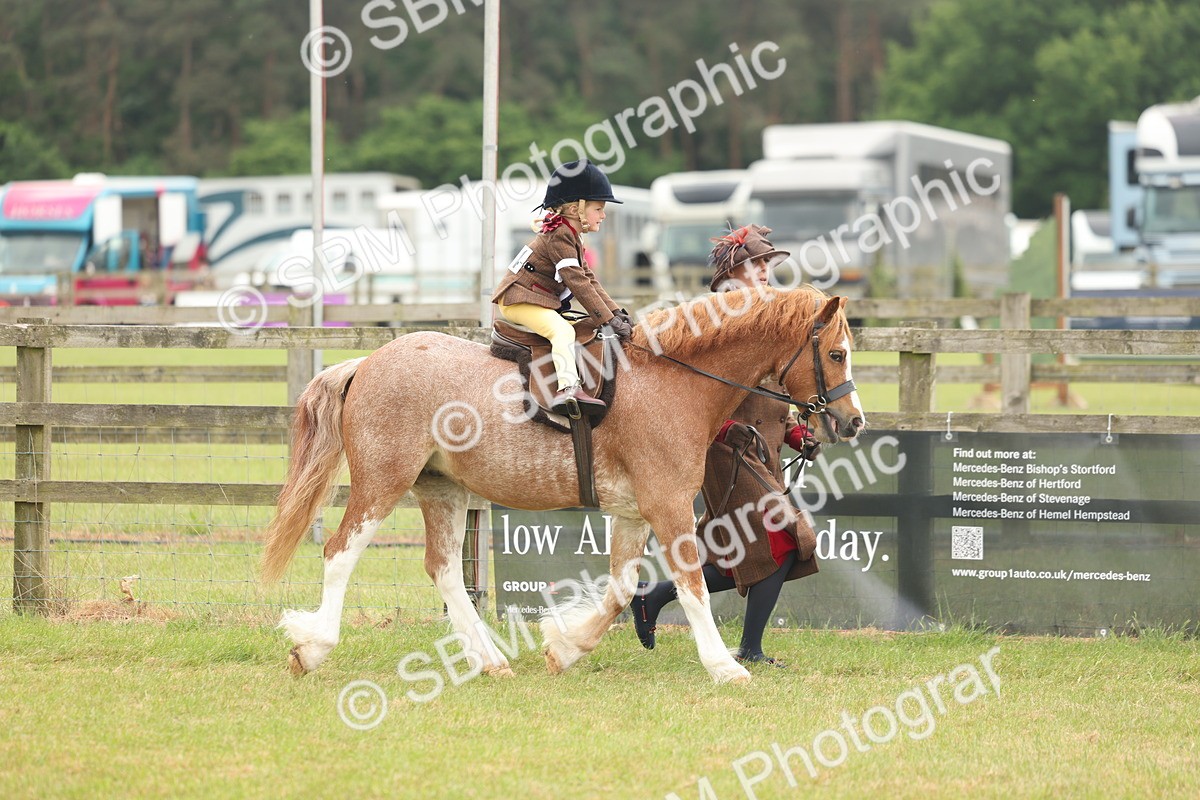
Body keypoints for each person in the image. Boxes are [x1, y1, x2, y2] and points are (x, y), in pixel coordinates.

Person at [631, 225, 821, 667]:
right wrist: (722, 430)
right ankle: (750, 650)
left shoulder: (768, 318)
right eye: (759, 266)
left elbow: (775, 393)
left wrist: (795, 434)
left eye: (769, 266)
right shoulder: (713, 323)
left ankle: (654, 596)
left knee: (743, 550)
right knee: (786, 542)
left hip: (762, 451)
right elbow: (692, 394)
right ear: (734, 273)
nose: (767, 274)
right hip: (726, 452)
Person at [492, 161, 633, 414]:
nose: (603, 215)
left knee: (579, 328)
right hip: (520, 299)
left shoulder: (571, 235)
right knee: (562, 333)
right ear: (574, 209)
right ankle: (567, 389)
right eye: (599, 208)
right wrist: (606, 320)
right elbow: (576, 281)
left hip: (536, 298)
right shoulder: (560, 235)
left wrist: (614, 313)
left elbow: (589, 278)